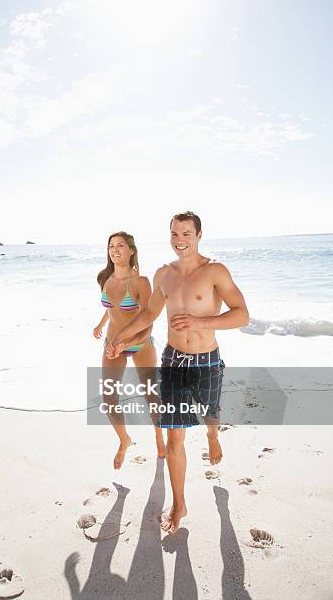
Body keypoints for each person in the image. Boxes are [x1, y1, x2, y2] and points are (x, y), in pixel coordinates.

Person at [106, 212, 249, 533]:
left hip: (206, 361)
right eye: (174, 234)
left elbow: (242, 315)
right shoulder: (163, 275)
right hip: (173, 361)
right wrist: (119, 338)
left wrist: (202, 322)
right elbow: (148, 314)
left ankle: (213, 436)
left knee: (209, 415)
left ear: (199, 235)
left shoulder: (214, 271)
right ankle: (180, 503)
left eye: (186, 233)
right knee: (175, 436)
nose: (179, 240)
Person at [93, 231, 166, 469]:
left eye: (120, 245)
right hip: (112, 345)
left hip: (140, 343)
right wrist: (101, 324)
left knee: (151, 396)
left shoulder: (140, 282)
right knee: (108, 398)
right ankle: (124, 440)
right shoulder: (105, 278)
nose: (115, 250)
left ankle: (159, 435)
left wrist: (127, 343)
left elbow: (148, 319)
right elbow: (112, 307)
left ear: (131, 250)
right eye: (111, 246)